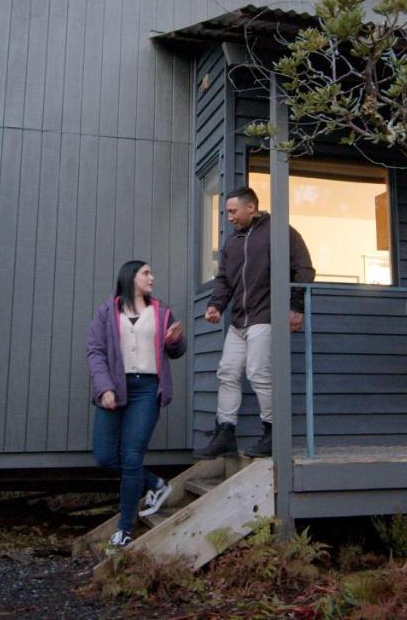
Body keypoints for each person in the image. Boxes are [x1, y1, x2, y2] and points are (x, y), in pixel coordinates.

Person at [194, 186, 315, 460]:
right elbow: (224, 280)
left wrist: (295, 307)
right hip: (239, 321)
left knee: (258, 371)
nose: (229, 217)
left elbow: (304, 269)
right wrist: (215, 305)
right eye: (227, 212)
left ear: (251, 207)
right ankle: (225, 432)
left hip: (266, 316)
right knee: (227, 372)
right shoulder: (232, 243)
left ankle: (273, 434)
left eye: (233, 211)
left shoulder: (280, 231)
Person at [88, 260, 186, 548]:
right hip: (114, 388)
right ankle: (156, 484)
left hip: (147, 389)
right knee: (105, 457)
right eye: (146, 273)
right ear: (131, 277)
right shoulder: (107, 312)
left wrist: (174, 342)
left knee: (131, 458)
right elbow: (95, 351)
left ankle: (125, 529)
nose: (152, 277)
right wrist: (104, 387)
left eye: (152, 273)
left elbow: (177, 351)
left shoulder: (162, 311)